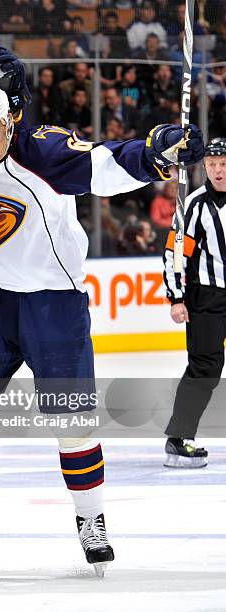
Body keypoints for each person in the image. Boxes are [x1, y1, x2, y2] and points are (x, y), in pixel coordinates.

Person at [0, 81, 204, 581]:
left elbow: (105, 163)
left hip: (53, 304)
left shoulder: (42, 149)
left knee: (72, 422)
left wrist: (155, 151)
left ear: (8, 119)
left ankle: (91, 519)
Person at [163, 138, 226, 468]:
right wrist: (176, 297)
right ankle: (179, 438)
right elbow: (175, 255)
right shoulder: (195, 206)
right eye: (212, 164)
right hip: (208, 298)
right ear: (204, 167)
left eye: (223, 163)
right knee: (204, 368)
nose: (217, 170)